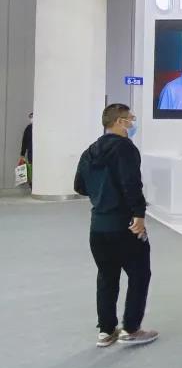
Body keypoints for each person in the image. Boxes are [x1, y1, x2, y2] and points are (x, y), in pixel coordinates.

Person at [73, 104, 158, 348]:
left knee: (107, 276)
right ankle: (131, 328)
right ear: (120, 122)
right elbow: (131, 183)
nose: (133, 123)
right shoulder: (125, 148)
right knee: (139, 274)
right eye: (131, 119)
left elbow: (79, 186)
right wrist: (138, 214)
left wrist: (101, 194)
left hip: (98, 226)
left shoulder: (90, 151)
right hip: (125, 225)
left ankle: (106, 330)